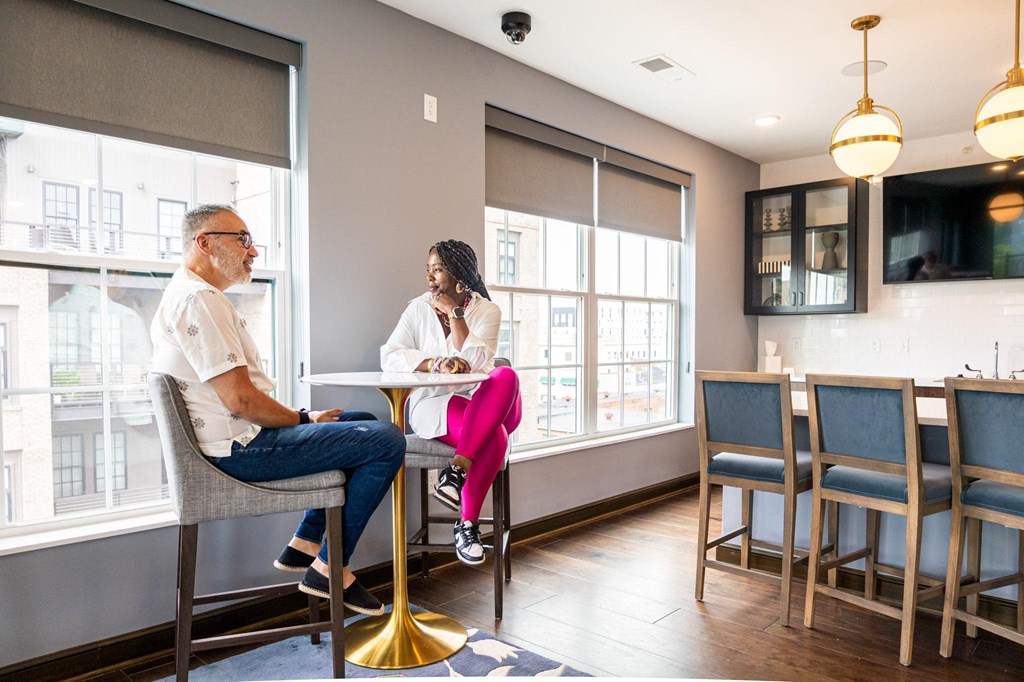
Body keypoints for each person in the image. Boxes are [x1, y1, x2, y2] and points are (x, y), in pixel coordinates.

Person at [151, 204, 405, 615]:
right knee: (388, 439)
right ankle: (329, 567)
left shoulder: (189, 295)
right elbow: (241, 400)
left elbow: (240, 397)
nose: (253, 252)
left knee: (359, 422)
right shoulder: (199, 300)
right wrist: (304, 419)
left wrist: (306, 418)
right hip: (240, 451)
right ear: (204, 243)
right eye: (243, 239)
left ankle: (305, 542)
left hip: (239, 441)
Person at [380, 239, 521, 565]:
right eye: (428, 270)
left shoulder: (487, 310)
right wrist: (432, 363)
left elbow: (477, 361)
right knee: (495, 436)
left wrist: (454, 314)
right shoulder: (416, 308)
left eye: (438, 270)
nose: (430, 278)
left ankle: (457, 469)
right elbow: (389, 355)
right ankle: (467, 524)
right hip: (436, 403)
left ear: (459, 276)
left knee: (506, 376)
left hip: (487, 400)